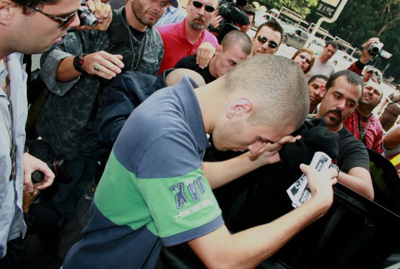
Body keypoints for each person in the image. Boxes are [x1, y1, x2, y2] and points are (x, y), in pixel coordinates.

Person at [63, 55, 338, 269]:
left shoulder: (179, 107)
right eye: (261, 137)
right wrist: (316, 206)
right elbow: (225, 259)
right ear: (240, 108)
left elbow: (190, 176)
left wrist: (257, 160)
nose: (256, 147)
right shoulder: (167, 135)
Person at [37, 0, 177, 228]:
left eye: (164, 4)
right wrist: (82, 63)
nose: (158, 8)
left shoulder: (156, 44)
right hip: (66, 138)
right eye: (153, 0)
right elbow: (50, 64)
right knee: (48, 207)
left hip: (105, 147)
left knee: (80, 211)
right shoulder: (97, 21)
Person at [0, 0, 82, 265]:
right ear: (5, 9)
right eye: (62, 17)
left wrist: (18, 156)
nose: (76, 24)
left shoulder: (13, 62)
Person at [314, 70, 374, 200]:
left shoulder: (352, 146)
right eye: (337, 96)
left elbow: (367, 191)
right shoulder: (297, 120)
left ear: (355, 108)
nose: (341, 106)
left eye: (350, 104)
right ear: (324, 91)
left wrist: (328, 170)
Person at [157, 0, 219, 74]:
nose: (201, 13)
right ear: (188, 5)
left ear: (215, 14)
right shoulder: (161, 34)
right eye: (197, 5)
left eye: (209, 9)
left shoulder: (213, 42)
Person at [175, 30, 253, 83]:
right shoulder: (189, 66)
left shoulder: (236, 88)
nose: (234, 71)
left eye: (240, 67)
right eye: (232, 63)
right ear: (218, 50)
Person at [343, 80, 384, 154]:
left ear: (379, 102)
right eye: (368, 88)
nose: (371, 92)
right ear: (360, 91)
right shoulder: (344, 108)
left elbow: (375, 155)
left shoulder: (378, 129)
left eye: (376, 92)